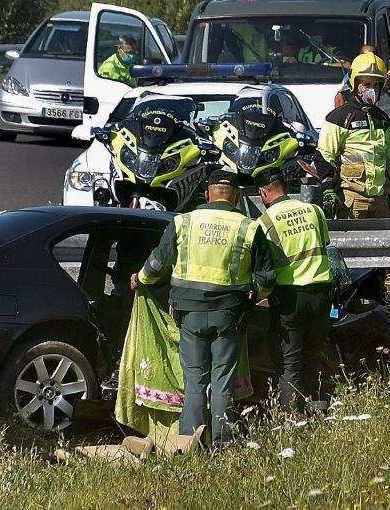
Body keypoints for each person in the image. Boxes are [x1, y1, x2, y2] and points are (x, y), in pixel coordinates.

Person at [131, 169, 276, 447]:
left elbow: (158, 264)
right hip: (228, 315)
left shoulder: (184, 222)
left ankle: (189, 444)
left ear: (207, 193)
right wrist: (254, 294)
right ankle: (221, 444)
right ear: (235, 196)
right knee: (222, 383)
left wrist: (140, 280)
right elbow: (266, 277)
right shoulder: (249, 226)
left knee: (195, 381)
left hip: (189, 315)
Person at [256, 169, 333, 414]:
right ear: (285, 187)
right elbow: (325, 245)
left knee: (290, 364)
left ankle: (293, 422)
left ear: (263, 193)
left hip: (289, 298)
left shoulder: (265, 222)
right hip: (321, 295)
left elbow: (263, 267)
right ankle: (320, 411)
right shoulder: (314, 211)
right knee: (314, 355)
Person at [315, 52, 390, 219]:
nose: (371, 90)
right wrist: (328, 190)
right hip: (351, 198)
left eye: (376, 85)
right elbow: (324, 156)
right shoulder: (338, 118)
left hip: (380, 199)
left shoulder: (383, 119)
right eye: (366, 84)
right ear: (355, 83)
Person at [334, 44, 378, 110]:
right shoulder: (352, 73)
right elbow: (340, 95)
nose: (369, 57)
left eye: (373, 54)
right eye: (365, 55)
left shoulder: (385, 73)